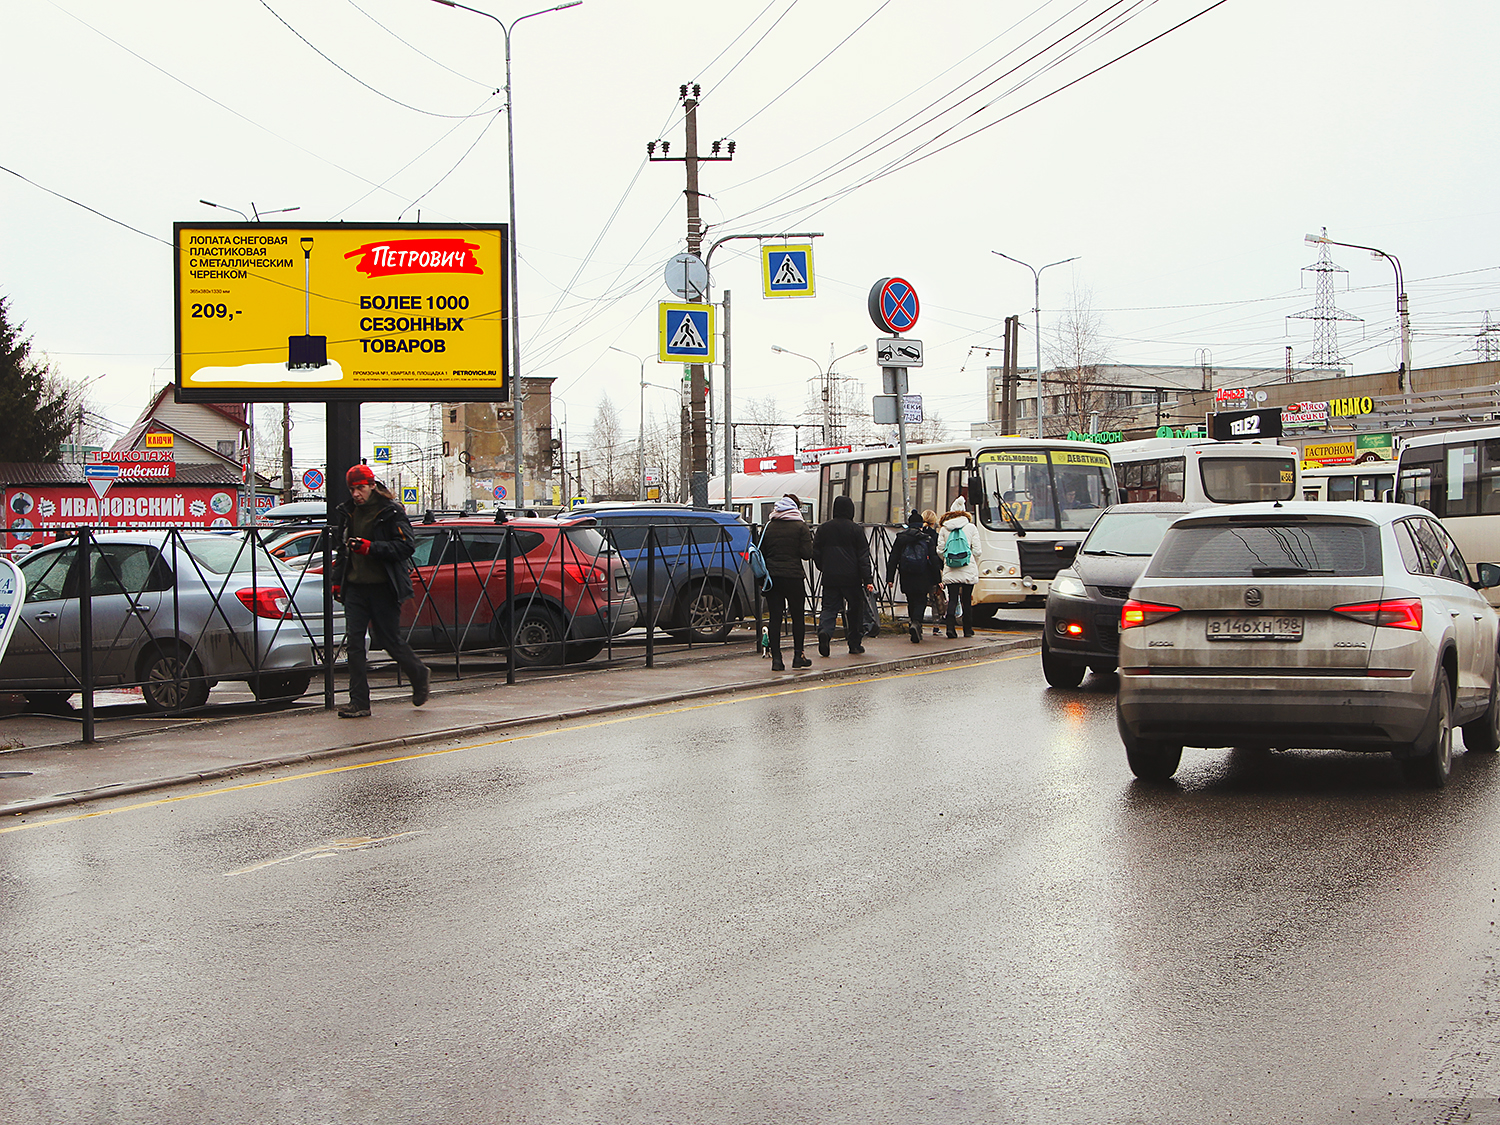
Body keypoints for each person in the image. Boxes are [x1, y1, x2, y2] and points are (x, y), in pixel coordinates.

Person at [331, 463, 431, 718]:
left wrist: (371, 548)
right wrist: (337, 581)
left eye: (361, 488)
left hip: (384, 586)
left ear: (372, 486)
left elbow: (406, 546)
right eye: (352, 489)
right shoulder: (348, 512)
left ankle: (418, 673)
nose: (356, 494)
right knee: (355, 643)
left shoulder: (390, 511)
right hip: (355, 587)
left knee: (388, 639)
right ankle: (359, 703)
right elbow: (342, 550)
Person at [812, 494, 874, 657]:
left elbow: (816, 552)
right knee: (855, 610)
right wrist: (867, 578)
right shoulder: (856, 530)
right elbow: (863, 557)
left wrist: (824, 567)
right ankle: (854, 644)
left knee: (829, 608)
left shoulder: (824, 529)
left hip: (830, 576)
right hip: (852, 578)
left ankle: (825, 632)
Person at [758, 494, 814, 672]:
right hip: (794, 577)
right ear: (795, 507)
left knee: (775, 618)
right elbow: (807, 554)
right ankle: (798, 656)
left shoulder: (769, 526)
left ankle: (777, 660)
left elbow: (761, 552)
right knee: (797, 617)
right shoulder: (800, 526)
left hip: (773, 578)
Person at [885, 510, 940, 644]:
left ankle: (913, 624)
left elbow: (893, 558)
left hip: (906, 574)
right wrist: (938, 580)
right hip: (923, 575)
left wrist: (890, 578)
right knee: (921, 600)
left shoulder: (901, 538)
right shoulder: (927, 539)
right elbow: (934, 560)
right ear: (921, 525)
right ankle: (916, 623)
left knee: (911, 600)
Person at [938, 496, 982, 639]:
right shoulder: (971, 527)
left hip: (951, 568)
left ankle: (950, 629)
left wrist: (948, 560)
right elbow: (977, 551)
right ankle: (968, 630)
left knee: (952, 599)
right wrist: (969, 560)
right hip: (968, 567)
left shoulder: (944, 529)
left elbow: (940, 550)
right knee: (966, 600)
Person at [922, 509, 947, 636]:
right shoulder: (935, 536)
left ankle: (916, 624)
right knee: (935, 600)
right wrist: (940, 577)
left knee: (919, 600)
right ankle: (936, 627)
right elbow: (936, 558)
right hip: (932, 573)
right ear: (934, 522)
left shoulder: (918, 534)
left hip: (919, 572)